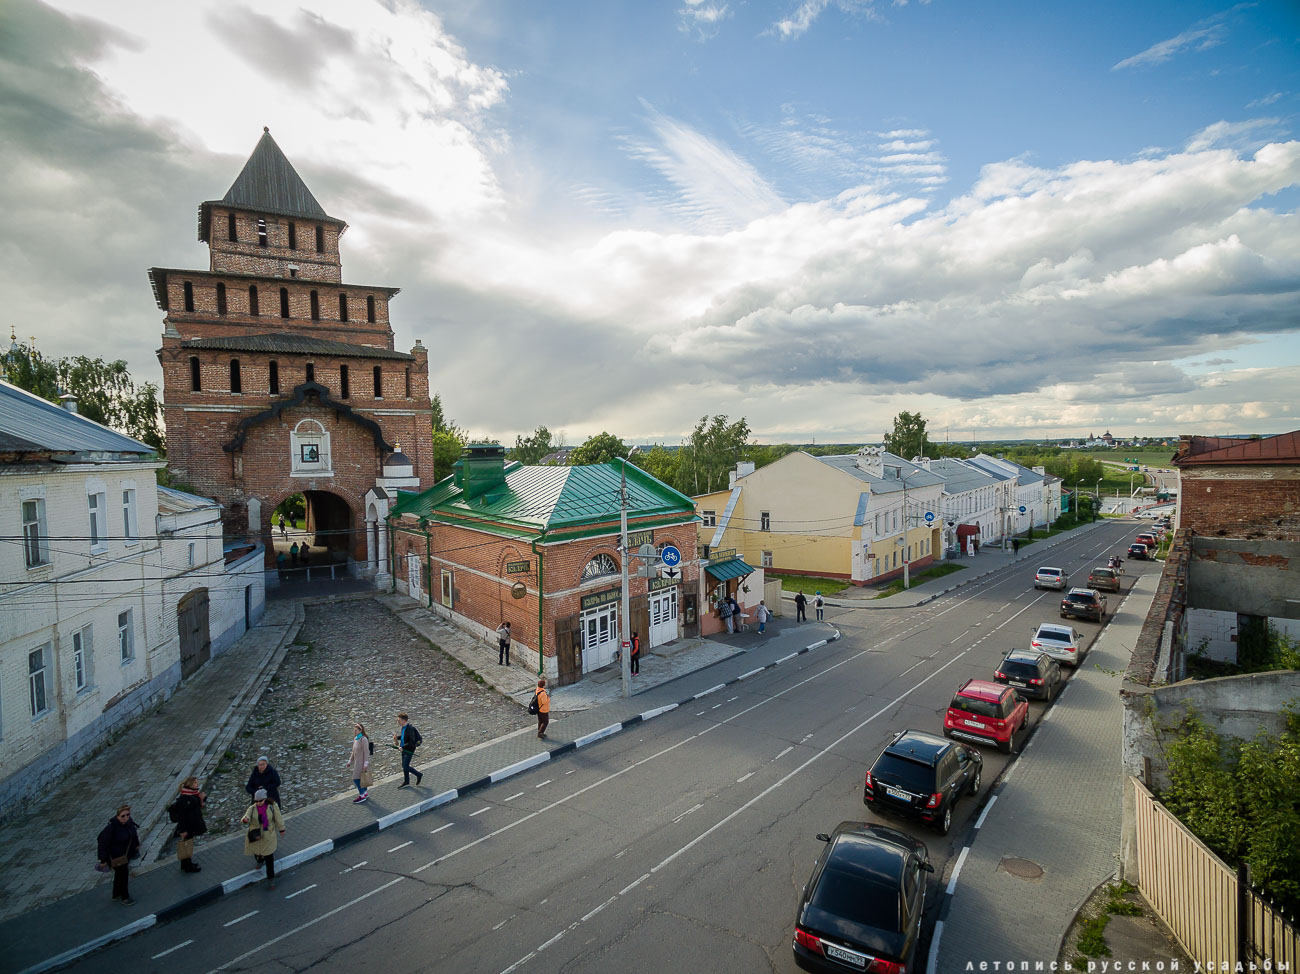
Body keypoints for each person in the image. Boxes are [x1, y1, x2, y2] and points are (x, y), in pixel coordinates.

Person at [242, 788, 286, 890]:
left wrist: (281, 829)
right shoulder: (252, 808)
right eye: (256, 801)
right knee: (257, 851)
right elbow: (246, 816)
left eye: (260, 801)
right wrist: (245, 819)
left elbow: (278, 818)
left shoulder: (272, 806)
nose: (258, 803)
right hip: (256, 834)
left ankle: (271, 879)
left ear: (265, 799)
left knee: (269, 858)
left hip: (268, 835)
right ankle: (260, 860)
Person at [97, 804, 141, 905]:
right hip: (115, 857)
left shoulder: (129, 823)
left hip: (125, 856)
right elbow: (102, 844)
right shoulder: (111, 828)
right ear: (117, 816)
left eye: (127, 815)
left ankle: (116, 894)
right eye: (123, 816)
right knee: (123, 875)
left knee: (119, 875)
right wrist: (103, 860)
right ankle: (125, 897)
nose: (126, 817)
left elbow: (133, 835)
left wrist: (136, 846)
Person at [167, 776, 207, 873]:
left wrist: (202, 798)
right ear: (190, 785)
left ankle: (186, 864)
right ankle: (187, 866)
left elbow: (196, 805)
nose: (197, 784)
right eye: (195, 783)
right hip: (187, 826)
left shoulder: (193, 794)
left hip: (192, 824)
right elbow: (182, 816)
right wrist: (182, 830)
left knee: (188, 844)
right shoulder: (185, 798)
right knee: (186, 845)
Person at [394, 713, 424, 788]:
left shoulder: (409, 729)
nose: (398, 721)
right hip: (403, 749)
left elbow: (411, 742)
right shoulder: (403, 727)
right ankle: (406, 781)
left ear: (404, 720)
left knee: (405, 766)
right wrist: (397, 738)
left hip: (408, 750)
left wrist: (403, 747)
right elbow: (404, 737)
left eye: (399, 720)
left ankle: (418, 774)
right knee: (404, 766)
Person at [348, 723, 370, 803]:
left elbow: (366, 752)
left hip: (362, 763)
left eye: (356, 730)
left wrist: (365, 764)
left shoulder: (363, 739)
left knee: (356, 779)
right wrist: (350, 761)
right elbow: (353, 752)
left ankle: (362, 795)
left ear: (361, 730)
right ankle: (365, 793)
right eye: (354, 730)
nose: (354, 732)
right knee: (360, 778)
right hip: (357, 762)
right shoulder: (356, 739)